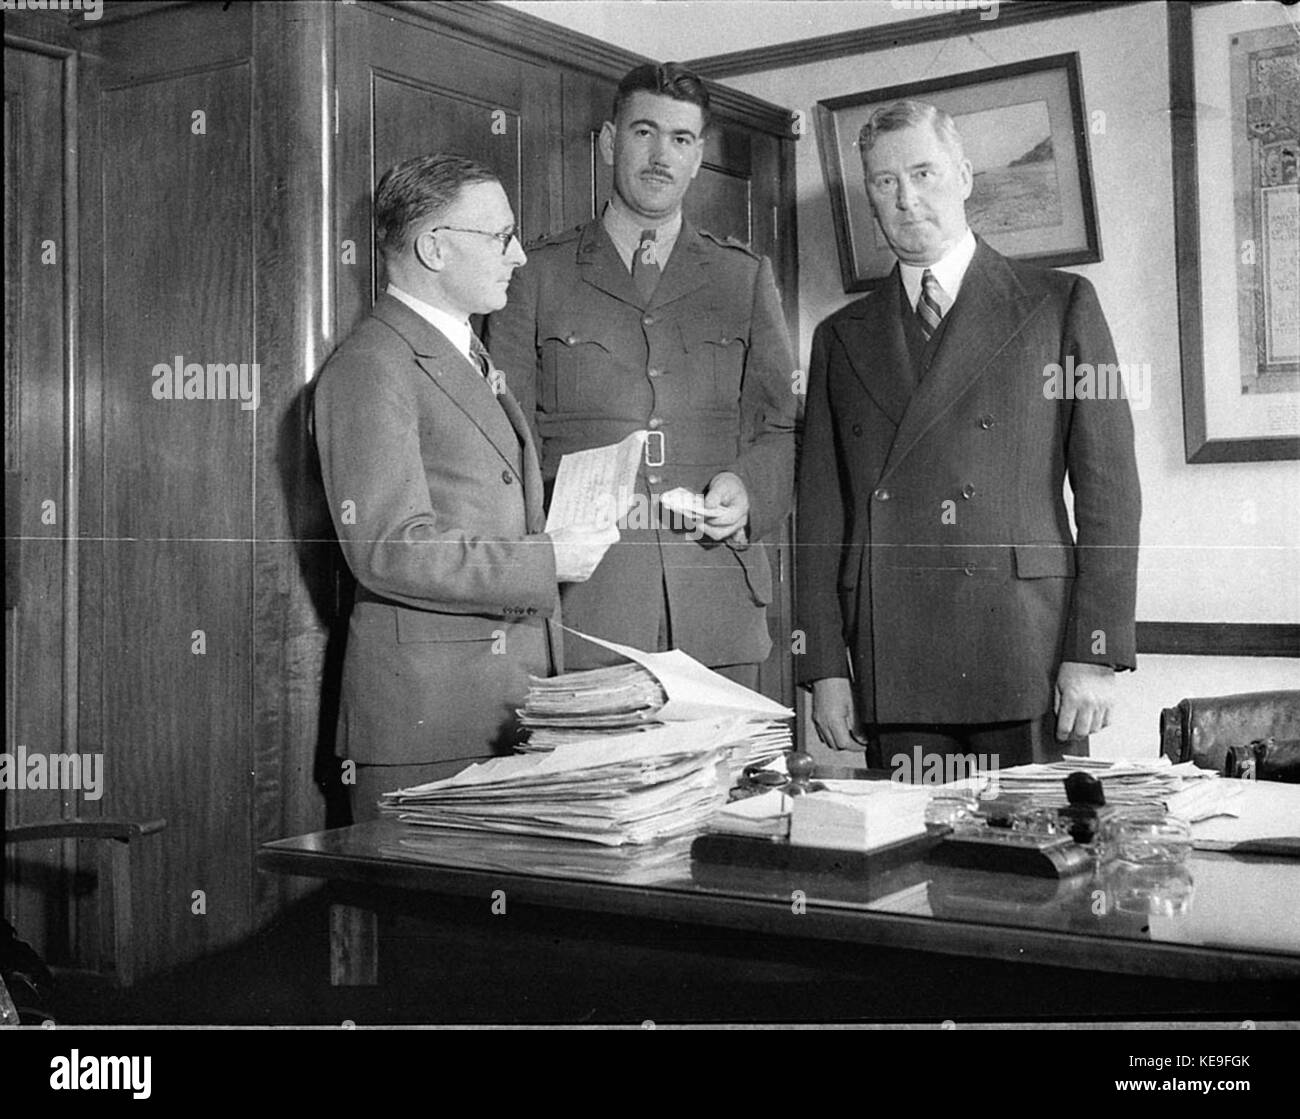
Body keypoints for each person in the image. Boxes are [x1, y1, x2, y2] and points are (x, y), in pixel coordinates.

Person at [797, 100, 1140, 770]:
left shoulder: (1059, 304)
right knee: (908, 868)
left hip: (1026, 654)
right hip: (892, 658)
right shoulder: (839, 337)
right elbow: (819, 514)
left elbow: (1110, 491)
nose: (906, 198)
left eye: (923, 173)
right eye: (884, 182)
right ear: (868, 196)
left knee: (1036, 865)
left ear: (963, 175)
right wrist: (822, 666)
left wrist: (1094, 648)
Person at [314, 153, 617, 820]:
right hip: (431, 723)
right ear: (433, 247)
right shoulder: (372, 364)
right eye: (500, 236)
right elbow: (389, 546)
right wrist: (549, 559)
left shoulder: (461, 353)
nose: (519, 255)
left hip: (502, 708)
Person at [487, 62, 799, 690]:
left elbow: (779, 427)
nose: (661, 155)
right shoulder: (536, 275)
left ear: (698, 156)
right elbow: (505, 440)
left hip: (718, 603)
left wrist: (747, 489)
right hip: (589, 608)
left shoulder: (743, 276)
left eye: (681, 140)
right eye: (643, 133)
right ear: (608, 141)